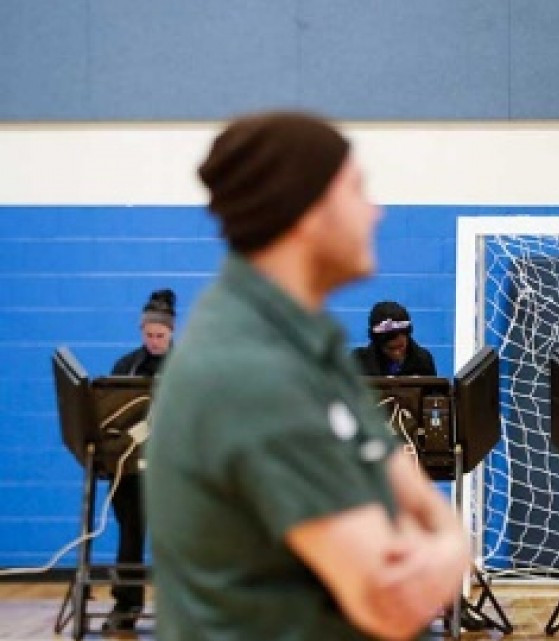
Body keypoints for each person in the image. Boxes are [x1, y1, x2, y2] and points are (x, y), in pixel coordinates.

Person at [146, 111, 469, 641]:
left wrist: (431, 539)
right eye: (358, 191)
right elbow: (394, 600)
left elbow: (403, 481)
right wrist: (456, 544)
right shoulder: (251, 370)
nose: (376, 212)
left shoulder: (306, 342)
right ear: (307, 211)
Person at [101, 288, 175, 633]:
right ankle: (126, 603)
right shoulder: (125, 367)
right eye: (149, 335)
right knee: (131, 532)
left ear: (172, 333)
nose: (154, 341)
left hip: (177, 472)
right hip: (133, 471)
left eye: (160, 336)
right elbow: (110, 418)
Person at [353, 301, 437, 376]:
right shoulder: (359, 362)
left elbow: (435, 392)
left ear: (407, 337)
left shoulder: (422, 360)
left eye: (401, 346)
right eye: (390, 348)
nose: (397, 353)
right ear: (378, 344)